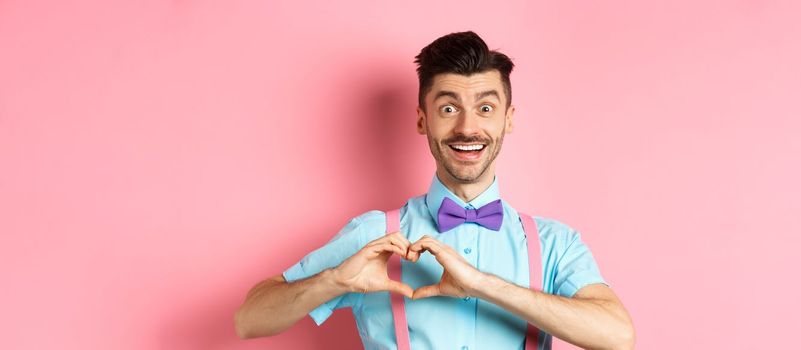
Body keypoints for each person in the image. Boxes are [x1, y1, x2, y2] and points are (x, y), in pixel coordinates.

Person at [234, 31, 635, 349]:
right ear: (422, 120)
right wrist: (336, 280)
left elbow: (618, 335)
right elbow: (249, 320)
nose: (466, 127)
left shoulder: (554, 244)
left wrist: (481, 284)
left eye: (485, 107)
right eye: (448, 108)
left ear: (508, 119)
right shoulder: (371, 235)